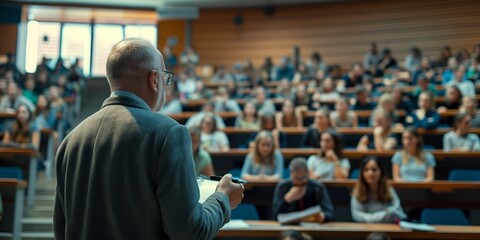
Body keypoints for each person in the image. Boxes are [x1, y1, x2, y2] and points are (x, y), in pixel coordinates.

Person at [54, 39, 244, 240]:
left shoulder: (70, 140)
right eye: (165, 77)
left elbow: (61, 229)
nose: (166, 84)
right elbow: (189, 231)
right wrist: (222, 197)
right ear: (154, 79)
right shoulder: (168, 133)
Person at [272, 157, 334, 222]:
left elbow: (330, 213)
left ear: (308, 173)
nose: (299, 182)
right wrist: (287, 200)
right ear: (291, 174)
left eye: (302, 178)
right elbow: (274, 216)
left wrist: (323, 217)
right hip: (289, 228)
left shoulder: (317, 187)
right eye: (296, 178)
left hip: (313, 226)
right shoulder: (282, 187)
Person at [351, 156, 407, 223]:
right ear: (362, 173)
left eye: (374, 170)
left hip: (387, 229)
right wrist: (385, 214)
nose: (370, 173)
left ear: (381, 172)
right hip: (365, 229)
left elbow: (398, 212)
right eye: (366, 170)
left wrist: (370, 217)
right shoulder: (358, 191)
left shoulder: (388, 189)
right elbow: (356, 216)